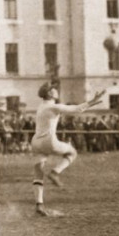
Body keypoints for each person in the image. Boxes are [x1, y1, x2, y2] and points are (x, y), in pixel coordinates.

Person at [31, 81, 105, 217]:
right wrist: (93, 101)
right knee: (72, 152)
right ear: (49, 93)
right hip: (49, 141)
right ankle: (55, 172)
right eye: (54, 89)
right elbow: (76, 110)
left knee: (38, 174)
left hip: (36, 142)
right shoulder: (53, 106)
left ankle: (39, 205)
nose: (56, 90)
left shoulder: (41, 106)